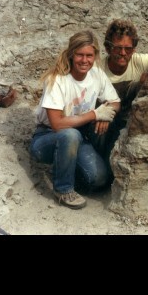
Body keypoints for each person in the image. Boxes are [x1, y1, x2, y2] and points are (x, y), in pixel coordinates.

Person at [29, 30, 121, 210]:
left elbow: (116, 102)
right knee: (69, 134)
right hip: (47, 139)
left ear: (95, 56)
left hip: (77, 136)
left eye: (89, 55)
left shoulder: (97, 74)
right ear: (71, 54)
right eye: (80, 55)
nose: (84, 60)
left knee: (99, 179)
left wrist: (107, 112)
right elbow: (57, 124)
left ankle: (69, 167)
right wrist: (95, 114)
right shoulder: (57, 80)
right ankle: (63, 189)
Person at [97, 19, 148, 160]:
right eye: (118, 48)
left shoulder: (138, 61)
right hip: (102, 123)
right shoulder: (97, 70)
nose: (123, 53)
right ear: (108, 48)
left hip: (127, 120)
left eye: (128, 49)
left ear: (133, 49)